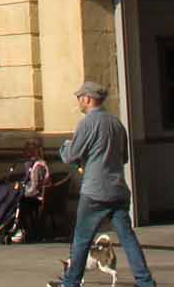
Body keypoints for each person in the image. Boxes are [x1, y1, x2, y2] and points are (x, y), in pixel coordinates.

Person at [53, 81, 154, 287]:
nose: (79, 102)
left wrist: (64, 146)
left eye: (80, 98)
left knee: (81, 240)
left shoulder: (87, 123)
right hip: (118, 190)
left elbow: (72, 155)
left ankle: (71, 283)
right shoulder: (117, 123)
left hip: (94, 192)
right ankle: (145, 282)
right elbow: (124, 157)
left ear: (88, 99)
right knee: (128, 238)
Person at [0, 139, 50, 240]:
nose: (24, 152)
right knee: (6, 197)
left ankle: (9, 227)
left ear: (33, 151)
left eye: (26, 150)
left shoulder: (38, 165)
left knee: (12, 199)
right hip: (28, 194)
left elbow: (34, 187)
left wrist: (20, 192)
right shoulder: (29, 164)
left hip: (35, 198)